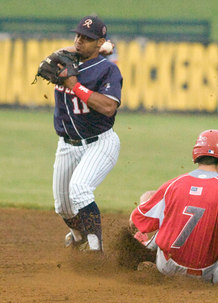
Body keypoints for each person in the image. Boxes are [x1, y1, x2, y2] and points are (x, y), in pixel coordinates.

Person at [129, 129, 218, 286]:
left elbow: (135, 220)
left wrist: (145, 201)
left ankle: (147, 248)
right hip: (202, 274)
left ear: (197, 151)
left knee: (161, 209)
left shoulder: (173, 184)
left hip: (166, 267)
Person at [52, 15, 123, 252]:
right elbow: (54, 55)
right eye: (78, 35)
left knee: (81, 189)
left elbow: (108, 106)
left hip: (99, 143)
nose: (80, 41)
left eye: (88, 38)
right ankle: (80, 238)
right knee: (63, 207)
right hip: (66, 144)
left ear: (99, 41)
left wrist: (75, 86)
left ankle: (96, 252)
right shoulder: (65, 61)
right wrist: (104, 47)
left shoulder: (108, 70)